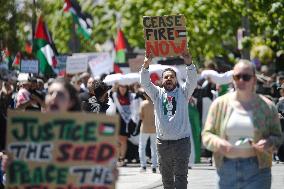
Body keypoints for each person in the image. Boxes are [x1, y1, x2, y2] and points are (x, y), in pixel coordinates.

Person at [202, 59, 282, 189]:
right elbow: (206, 134)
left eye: (246, 77)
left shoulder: (267, 106)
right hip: (226, 169)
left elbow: (278, 136)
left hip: (258, 171)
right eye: (237, 76)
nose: (241, 81)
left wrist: (269, 142)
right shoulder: (219, 104)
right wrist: (219, 143)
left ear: (254, 80)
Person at [140, 51, 197, 189]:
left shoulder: (184, 93)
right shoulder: (157, 94)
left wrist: (189, 64)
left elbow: (192, 81)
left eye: (172, 77)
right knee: (166, 179)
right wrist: (146, 65)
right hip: (163, 143)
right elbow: (145, 83)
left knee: (181, 177)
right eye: (166, 77)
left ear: (176, 80)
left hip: (182, 142)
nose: (169, 79)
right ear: (162, 80)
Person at [139, 91, 157, 173]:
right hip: (154, 128)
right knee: (154, 148)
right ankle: (154, 166)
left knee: (142, 147)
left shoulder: (143, 104)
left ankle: (143, 166)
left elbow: (140, 116)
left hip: (145, 128)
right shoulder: (156, 103)